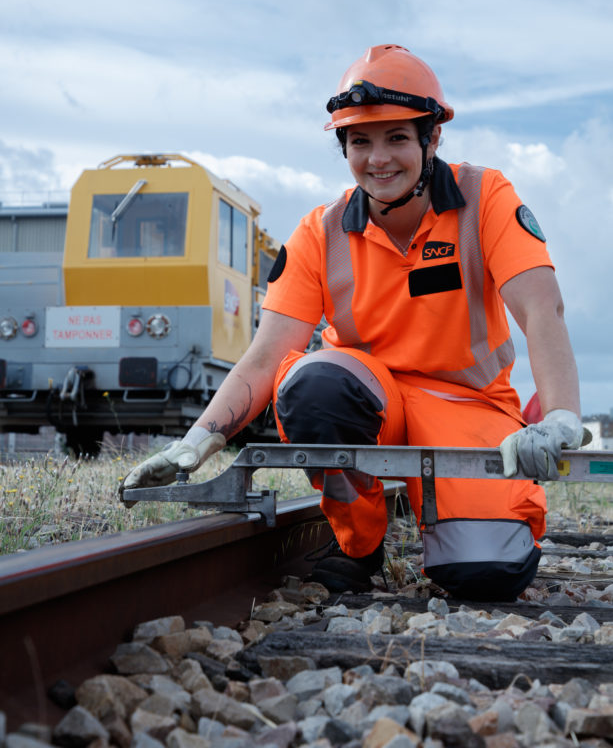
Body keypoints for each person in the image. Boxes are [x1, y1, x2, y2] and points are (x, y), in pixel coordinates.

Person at [120, 44, 585, 601]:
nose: (378, 159)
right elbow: (267, 357)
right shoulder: (321, 233)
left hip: (468, 407)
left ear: (432, 137)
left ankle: (464, 532)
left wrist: (560, 415)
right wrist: (197, 443)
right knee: (312, 381)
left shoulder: (484, 199)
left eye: (397, 137)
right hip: (370, 400)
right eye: (360, 141)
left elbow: (541, 308)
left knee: (486, 575)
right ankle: (357, 544)